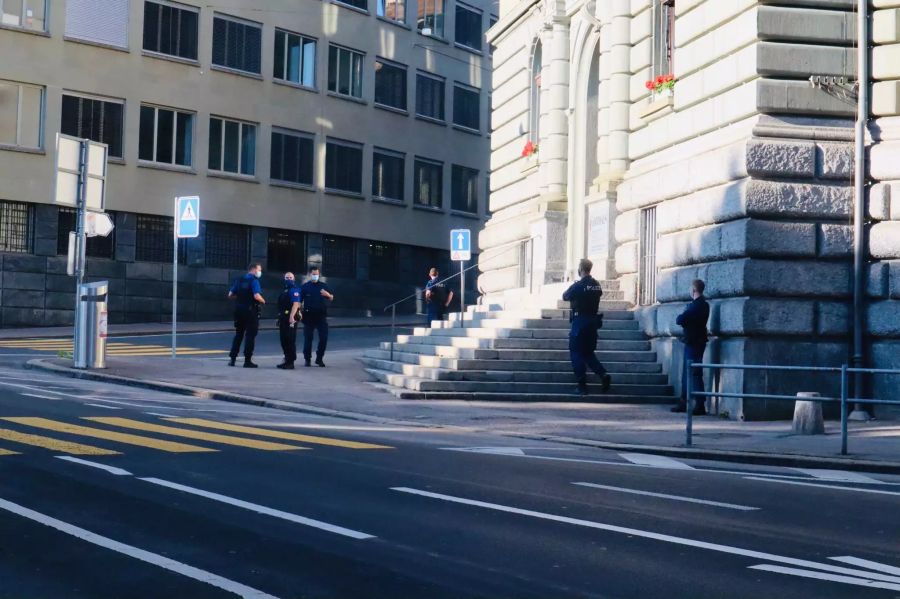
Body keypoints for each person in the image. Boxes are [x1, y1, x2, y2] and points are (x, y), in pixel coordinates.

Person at [562, 258, 612, 396]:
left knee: (576, 353)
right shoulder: (596, 285)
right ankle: (603, 374)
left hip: (580, 323)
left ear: (580, 270)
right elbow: (598, 293)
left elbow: (565, 296)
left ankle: (582, 386)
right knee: (588, 353)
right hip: (592, 323)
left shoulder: (579, 285)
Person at [672, 278, 710, 415]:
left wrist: (685, 318)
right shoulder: (705, 305)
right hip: (697, 342)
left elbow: (679, 319)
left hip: (693, 343)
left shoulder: (695, 306)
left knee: (693, 373)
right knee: (692, 373)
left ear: (694, 290)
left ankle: (698, 404)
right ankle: (686, 401)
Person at [227, 263, 265, 368]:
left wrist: (240, 299)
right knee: (250, 336)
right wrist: (263, 301)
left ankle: (232, 359)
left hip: (239, 311)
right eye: (259, 270)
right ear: (253, 270)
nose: (260, 272)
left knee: (238, 334)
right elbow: (256, 296)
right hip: (250, 311)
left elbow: (230, 295)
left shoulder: (239, 280)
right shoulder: (254, 281)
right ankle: (247, 360)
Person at [299, 266, 334, 367]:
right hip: (308, 316)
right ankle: (307, 359)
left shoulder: (323, 286)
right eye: (313, 274)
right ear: (310, 275)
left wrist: (328, 295)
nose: (315, 276)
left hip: (321, 316)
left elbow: (331, 298)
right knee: (308, 339)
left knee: (323, 338)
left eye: (317, 274)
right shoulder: (305, 287)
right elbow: (299, 301)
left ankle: (319, 358)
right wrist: (299, 312)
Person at [276, 272, 301, 369]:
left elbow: (295, 303)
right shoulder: (285, 290)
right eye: (287, 277)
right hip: (283, 317)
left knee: (290, 339)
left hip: (290, 318)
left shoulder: (294, 290)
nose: (289, 279)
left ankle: (291, 362)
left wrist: (292, 316)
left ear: (294, 279)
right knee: (283, 339)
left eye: (291, 277)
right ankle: (286, 359)